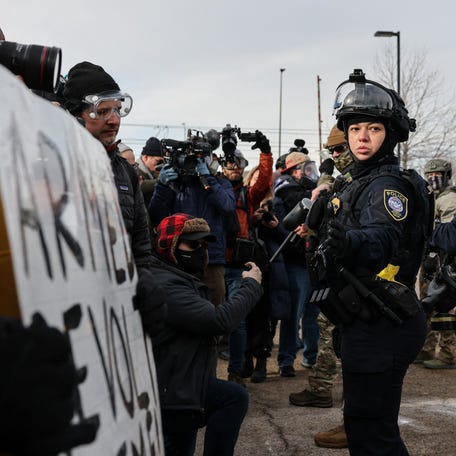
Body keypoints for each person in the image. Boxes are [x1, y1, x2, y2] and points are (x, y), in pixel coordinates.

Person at [311, 69, 432, 455]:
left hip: (384, 323)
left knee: (373, 437)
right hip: (365, 321)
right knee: (363, 428)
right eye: (356, 128)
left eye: (374, 129)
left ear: (389, 135)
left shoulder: (386, 185)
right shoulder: (357, 180)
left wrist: (350, 240)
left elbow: (382, 236)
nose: (363, 137)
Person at [63, 61, 165, 338]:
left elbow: (140, 243)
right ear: (75, 115)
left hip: (118, 306)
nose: (114, 120)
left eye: (118, 110)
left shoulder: (125, 173)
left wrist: (144, 282)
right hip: (68, 310)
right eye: (103, 111)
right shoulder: (55, 164)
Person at [150, 213, 263, 455]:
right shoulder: (166, 284)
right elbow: (219, 321)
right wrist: (251, 286)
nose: (200, 251)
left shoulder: (179, 277)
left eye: (203, 245)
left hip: (182, 383)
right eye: (192, 244)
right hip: (173, 391)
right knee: (234, 397)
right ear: (168, 244)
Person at [148, 142, 236, 308]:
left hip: (212, 260)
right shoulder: (178, 183)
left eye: (199, 159)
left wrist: (207, 179)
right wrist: (162, 185)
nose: (194, 163)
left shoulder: (221, 183)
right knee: (182, 309)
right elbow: (157, 215)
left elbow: (227, 206)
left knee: (216, 311)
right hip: (179, 259)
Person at [221, 136, 273, 385]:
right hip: (211, 264)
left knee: (238, 322)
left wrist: (265, 152)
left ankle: (235, 371)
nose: (234, 168)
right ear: (221, 166)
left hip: (236, 267)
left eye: (238, 165)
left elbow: (263, 182)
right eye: (229, 164)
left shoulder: (246, 195)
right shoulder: (212, 188)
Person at [271, 151, 320, 377]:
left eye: (311, 169)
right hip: (296, 262)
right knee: (294, 313)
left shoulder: (308, 190)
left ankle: (312, 356)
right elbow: (292, 215)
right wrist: (318, 191)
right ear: (294, 171)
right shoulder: (286, 191)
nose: (310, 173)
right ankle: (286, 359)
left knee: (314, 312)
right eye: (306, 169)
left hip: (314, 261)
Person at [416, 158, 456, 369]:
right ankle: (426, 348)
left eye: (438, 176)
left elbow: (448, 236)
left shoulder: (449, 199)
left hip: (445, 262)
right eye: (430, 176)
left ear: (447, 176)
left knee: (444, 307)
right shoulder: (433, 197)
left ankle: (448, 354)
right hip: (431, 260)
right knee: (427, 304)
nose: (433, 180)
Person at [136, 136, 165, 208]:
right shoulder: (134, 171)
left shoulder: (153, 173)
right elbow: (140, 186)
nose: (160, 165)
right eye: (158, 161)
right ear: (145, 157)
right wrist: (161, 181)